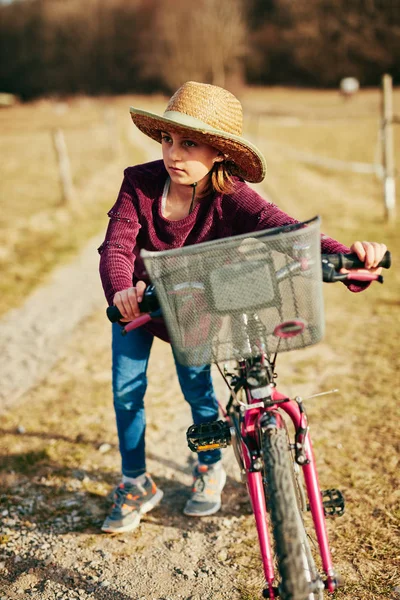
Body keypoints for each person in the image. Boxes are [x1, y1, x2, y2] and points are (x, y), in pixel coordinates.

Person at [98, 81, 387, 534]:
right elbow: (116, 246)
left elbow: (282, 228)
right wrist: (121, 289)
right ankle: (135, 480)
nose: (173, 153)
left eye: (189, 143)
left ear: (220, 153)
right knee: (125, 391)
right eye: (167, 139)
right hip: (138, 307)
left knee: (198, 394)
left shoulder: (230, 193)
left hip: (192, 309)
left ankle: (209, 465)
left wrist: (342, 256)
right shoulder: (139, 182)